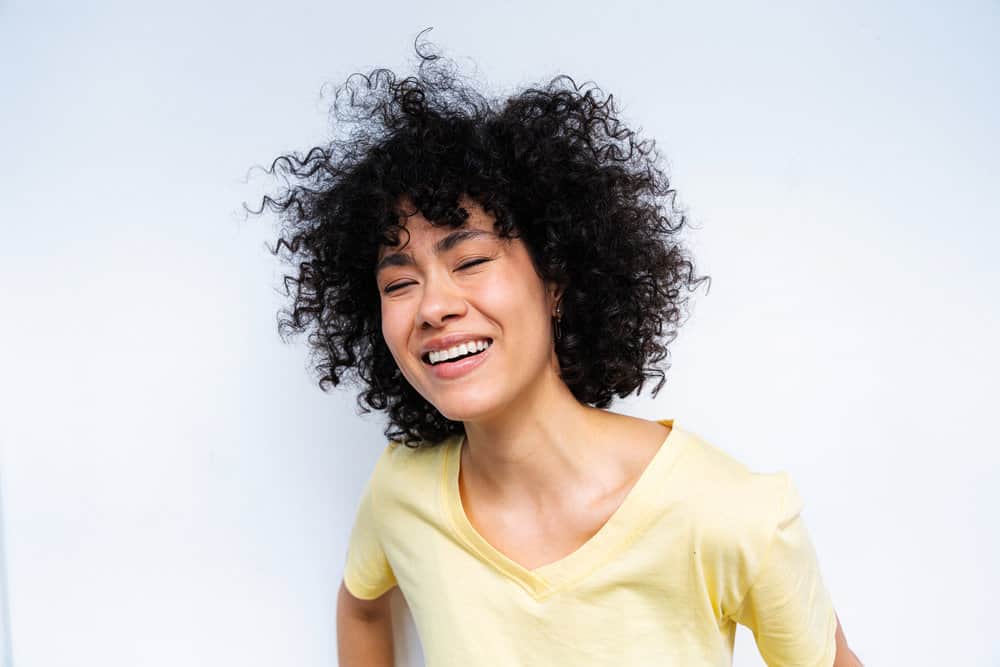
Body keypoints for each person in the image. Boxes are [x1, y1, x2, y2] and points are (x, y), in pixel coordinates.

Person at [251, 31, 863, 667]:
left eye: (472, 260)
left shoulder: (729, 515)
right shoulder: (401, 492)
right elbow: (362, 605)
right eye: (399, 283)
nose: (433, 307)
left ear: (556, 282)